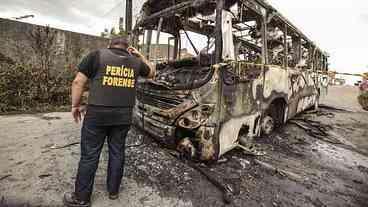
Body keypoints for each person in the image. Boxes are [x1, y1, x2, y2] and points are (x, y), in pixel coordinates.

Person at [63, 35, 155, 207]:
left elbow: (78, 82)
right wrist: (139, 55)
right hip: (123, 116)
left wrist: (75, 105)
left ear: (109, 44)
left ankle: (81, 198)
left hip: (97, 115)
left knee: (90, 155)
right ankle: (113, 191)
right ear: (128, 47)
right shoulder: (135, 62)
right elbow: (152, 72)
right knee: (117, 152)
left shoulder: (97, 55)